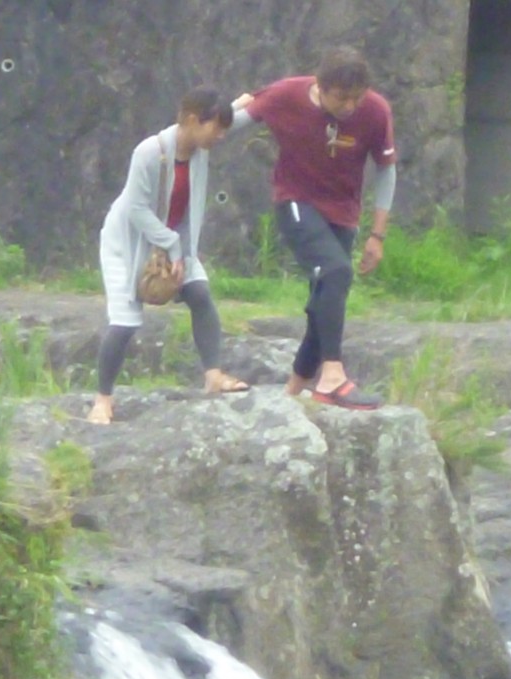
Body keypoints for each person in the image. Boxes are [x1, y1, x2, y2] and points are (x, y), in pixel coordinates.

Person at [230, 45, 397, 410]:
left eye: (356, 98)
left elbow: (386, 170)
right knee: (336, 271)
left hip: (343, 211)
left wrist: (377, 234)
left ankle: (293, 391)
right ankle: (332, 376)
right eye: (341, 98)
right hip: (296, 201)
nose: (350, 106)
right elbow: (229, 122)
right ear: (320, 87)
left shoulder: (375, 110)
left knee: (325, 297)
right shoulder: (286, 94)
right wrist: (183, 135)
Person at [87, 85, 249, 425]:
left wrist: (257, 100)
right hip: (128, 243)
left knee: (200, 294)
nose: (221, 136)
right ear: (191, 120)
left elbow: (236, 117)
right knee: (124, 322)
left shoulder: (200, 147)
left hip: (172, 240)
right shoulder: (149, 152)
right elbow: (136, 208)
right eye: (216, 128)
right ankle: (103, 399)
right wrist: (172, 244)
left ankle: (213, 375)